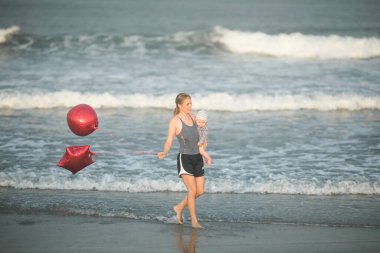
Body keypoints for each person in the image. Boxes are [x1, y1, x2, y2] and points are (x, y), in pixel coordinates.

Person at [157, 93, 204, 229]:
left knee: (199, 191)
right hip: (185, 159)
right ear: (179, 105)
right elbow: (168, 141)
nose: (190, 106)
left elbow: (202, 136)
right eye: (187, 104)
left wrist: (204, 152)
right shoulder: (175, 121)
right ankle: (194, 221)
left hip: (197, 158)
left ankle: (178, 208)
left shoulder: (194, 117)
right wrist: (165, 151)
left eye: (191, 103)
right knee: (192, 190)